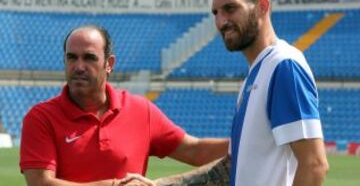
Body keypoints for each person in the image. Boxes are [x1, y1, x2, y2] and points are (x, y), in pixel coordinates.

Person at [123, 0, 329, 186]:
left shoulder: (283, 66)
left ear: (262, 6)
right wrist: (158, 184)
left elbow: (314, 164)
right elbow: (231, 166)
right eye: (216, 13)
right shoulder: (256, 75)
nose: (221, 22)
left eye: (230, 9)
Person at [20, 25, 229, 186]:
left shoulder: (140, 111)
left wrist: (247, 142)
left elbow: (195, 151)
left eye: (90, 58)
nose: (79, 66)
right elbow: (41, 183)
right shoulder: (41, 117)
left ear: (109, 64)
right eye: (71, 57)